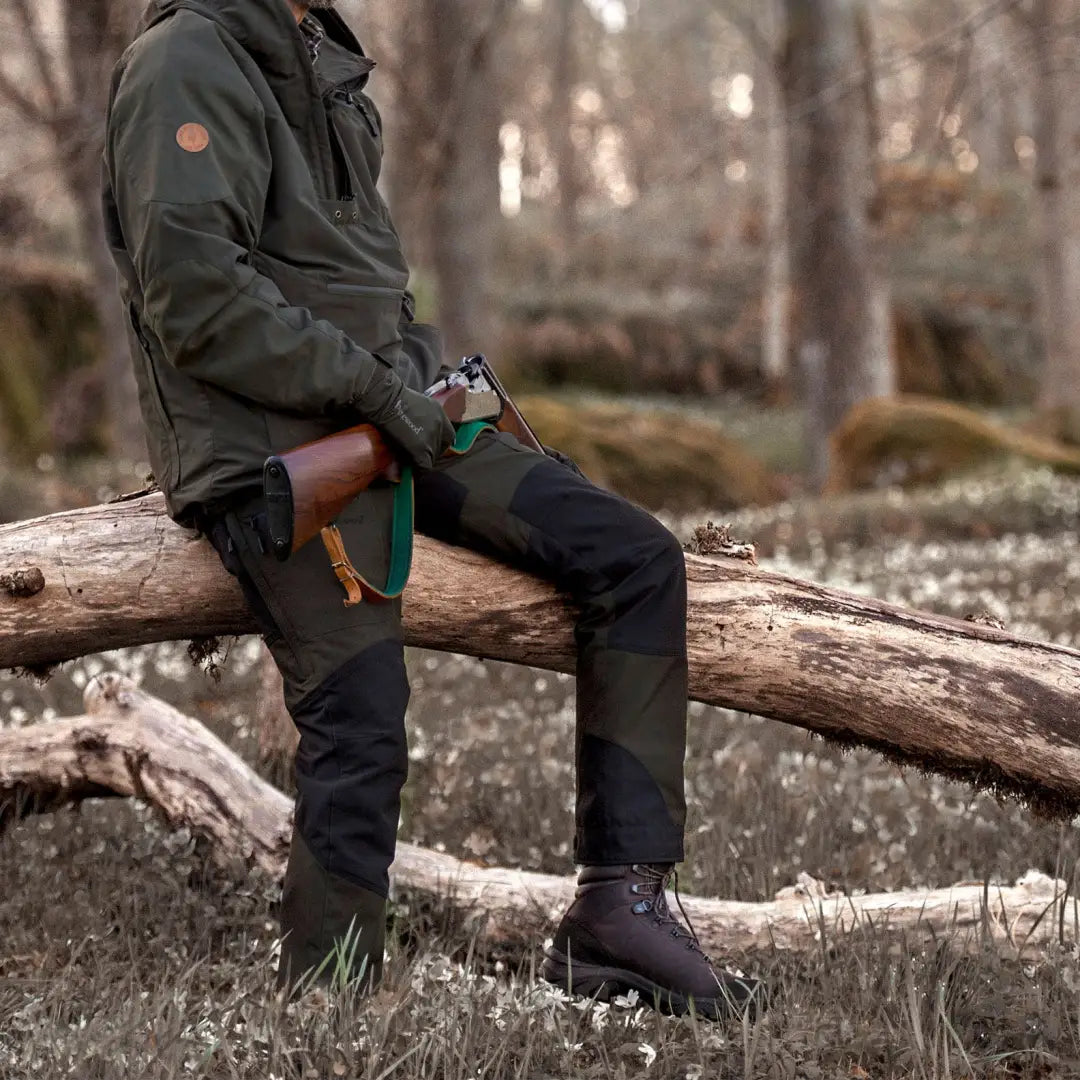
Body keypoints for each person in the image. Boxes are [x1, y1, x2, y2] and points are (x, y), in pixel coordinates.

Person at [102, 0, 763, 1021]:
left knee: (634, 559)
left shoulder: (316, 48)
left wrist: (411, 372)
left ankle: (619, 912)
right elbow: (195, 297)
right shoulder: (184, 59)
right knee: (360, 726)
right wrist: (377, 392)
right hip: (280, 456)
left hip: (390, 417)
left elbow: (357, 278)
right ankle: (331, 1003)